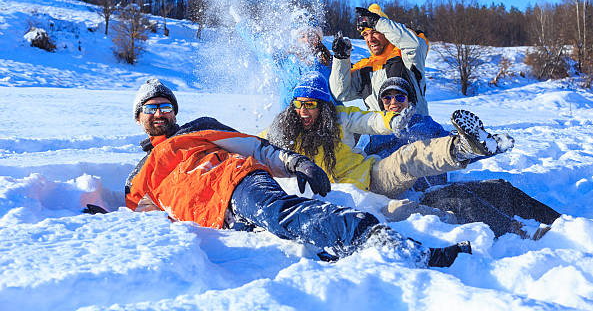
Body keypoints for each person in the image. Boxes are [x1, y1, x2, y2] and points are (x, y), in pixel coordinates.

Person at [123, 77, 471, 267]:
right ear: (139, 117)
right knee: (287, 238)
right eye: (151, 108)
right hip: (217, 217)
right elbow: (132, 212)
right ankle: (350, 251)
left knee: (282, 215)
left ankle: (392, 243)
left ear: (173, 112)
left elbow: (253, 146)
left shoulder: (197, 129)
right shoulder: (139, 175)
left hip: (237, 182)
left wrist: (296, 163)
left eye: (165, 106)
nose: (159, 113)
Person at [266, 73, 560, 238]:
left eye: (312, 104)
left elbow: (368, 120)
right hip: (359, 196)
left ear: (324, 107)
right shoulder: (283, 135)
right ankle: (514, 230)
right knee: (433, 212)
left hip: (377, 175)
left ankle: (464, 146)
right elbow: (259, 148)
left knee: (410, 158)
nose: (305, 110)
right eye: (299, 104)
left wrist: (391, 122)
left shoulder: (341, 119)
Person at [329, 3, 430, 115]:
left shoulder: (406, 56)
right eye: (365, 34)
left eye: (375, 32)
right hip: (380, 131)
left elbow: (415, 45)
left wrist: (378, 22)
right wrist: (341, 58)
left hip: (416, 129)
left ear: (386, 31)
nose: (370, 39)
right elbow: (340, 93)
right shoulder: (364, 68)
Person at [356, 77, 450, 191]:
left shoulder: (425, 124)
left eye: (400, 97)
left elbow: (451, 147)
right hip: (393, 194)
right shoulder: (372, 131)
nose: (393, 102)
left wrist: (467, 144)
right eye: (387, 98)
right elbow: (360, 163)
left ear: (409, 100)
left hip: (433, 191)